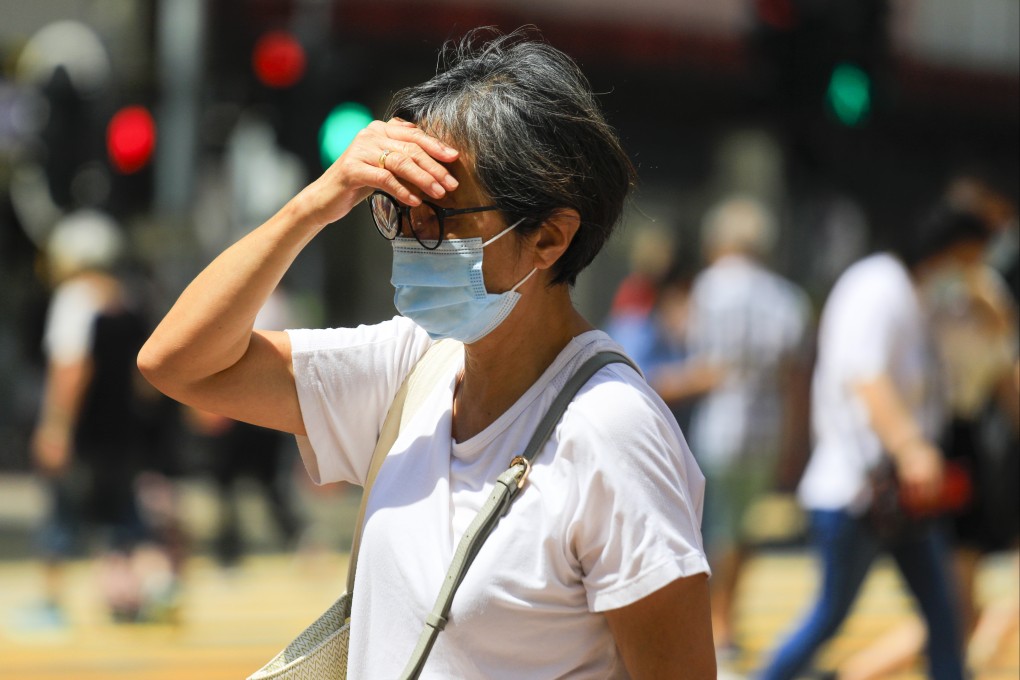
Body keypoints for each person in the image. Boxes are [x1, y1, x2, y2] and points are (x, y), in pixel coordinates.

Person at [138, 29, 715, 678]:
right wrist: (315, 204)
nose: (412, 236)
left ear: (549, 237)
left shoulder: (613, 435)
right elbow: (179, 362)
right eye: (397, 207)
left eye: (438, 212)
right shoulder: (415, 365)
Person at [757, 203, 995, 680]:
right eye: (967, 259)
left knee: (943, 612)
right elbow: (867, 376)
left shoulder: (919, 294)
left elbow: (993, 339)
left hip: (902, 495)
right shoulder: (878, 286)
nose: (969, 271)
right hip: (858, 489)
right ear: (943, 249)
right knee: (831, 614)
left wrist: (977, 289)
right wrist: (911, 448)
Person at [657, 196, 813, 661]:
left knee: (702, 530)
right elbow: (796, 380)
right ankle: (725, 621)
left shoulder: (707, 288)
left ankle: (705, 625)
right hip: (766, 426)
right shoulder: (788, 297)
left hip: (718, 424)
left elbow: (699, 355)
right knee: (741, 532)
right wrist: (796, 443)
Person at [30, 209, 181, 625]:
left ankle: (51, 604)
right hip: (124, 435)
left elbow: (71, 368)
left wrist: (55, 426)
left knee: (63, 514)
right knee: (123, 517)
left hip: (86, 432)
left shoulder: (73, 299)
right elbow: (145, 376)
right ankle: (145, 589)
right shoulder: (127, 297)